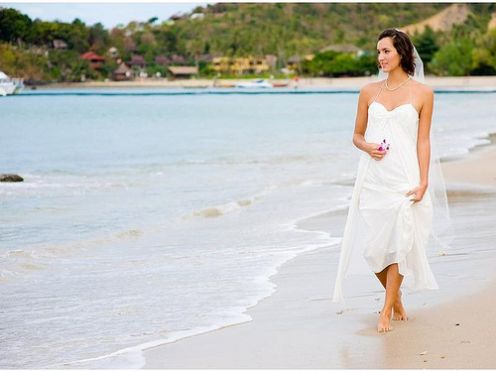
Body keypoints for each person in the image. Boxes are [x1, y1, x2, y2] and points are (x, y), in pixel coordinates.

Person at [331, 28, 452, 333]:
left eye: (386, 51)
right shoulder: (369, 92)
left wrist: (424, 181)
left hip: (405, 177)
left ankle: (385, 310)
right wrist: (367, 146)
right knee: (373, 248)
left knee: (400, 241)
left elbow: (423, 142)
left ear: (402, 53)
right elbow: (356, 136)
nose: (380, 57)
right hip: (374, 178)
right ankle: (395, 297)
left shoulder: (424, 93)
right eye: (378, 52)